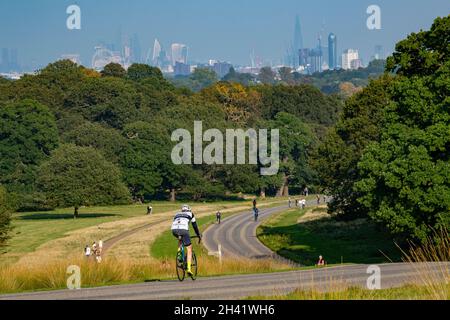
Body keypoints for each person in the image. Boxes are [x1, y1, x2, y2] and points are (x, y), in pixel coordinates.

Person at [171, 204, 202, 277]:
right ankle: (188, 268)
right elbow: (195, 226)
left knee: (180, 239)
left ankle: (179, 254)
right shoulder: (191, 214)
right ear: (189, 209)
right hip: (184, 230)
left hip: (174, 230)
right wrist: (198, 235)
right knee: (189, 249)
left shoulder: (177, 214)